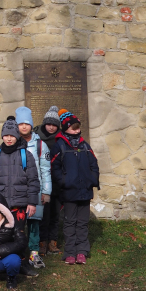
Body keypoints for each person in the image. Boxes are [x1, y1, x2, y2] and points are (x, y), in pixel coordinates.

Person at [0, 116, 40, 278]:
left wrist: (32, 202)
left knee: (19, 235)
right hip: (0, 206)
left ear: (17, 136)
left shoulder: (26, 156)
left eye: (12, 135)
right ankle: (1, 263)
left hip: (19, 205)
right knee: (1, 235)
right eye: (6, 135)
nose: (9, 138)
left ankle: (21, 263)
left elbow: (33, 180)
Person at [50, 108, 100, 265]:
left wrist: (92, 179)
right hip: (69, 192)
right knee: (70, 222)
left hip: (85, 191)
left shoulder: (85, 145)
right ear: (66, 128)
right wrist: (64, 181)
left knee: (82, 222)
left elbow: (94, 164)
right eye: (74, 128)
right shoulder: (59, 146)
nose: (77, 130)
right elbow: (54, 167)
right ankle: (70, 252)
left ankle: (82, 251)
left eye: (78, 127)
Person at [16, 106, 52, 270]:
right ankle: (18, 253)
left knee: (34, 224)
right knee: (17, 224)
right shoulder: (13, 143)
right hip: (17, 191)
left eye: (27, 123)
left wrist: (46, 191)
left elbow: (45, 170)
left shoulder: (40, 145)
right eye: (20, 124)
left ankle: (34, 252)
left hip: (35, 190)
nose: (24, 127)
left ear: (31, 125)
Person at [33, 106, 62, 255]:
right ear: (44, 124)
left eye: (54, 125)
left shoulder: (61, 139)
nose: (51, 127)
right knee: (43, 214)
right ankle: (42, 241)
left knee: (55, 214)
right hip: (43, 182)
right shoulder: (36, 138)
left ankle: (53, 241)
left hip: (57, 182)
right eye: (48, 124)